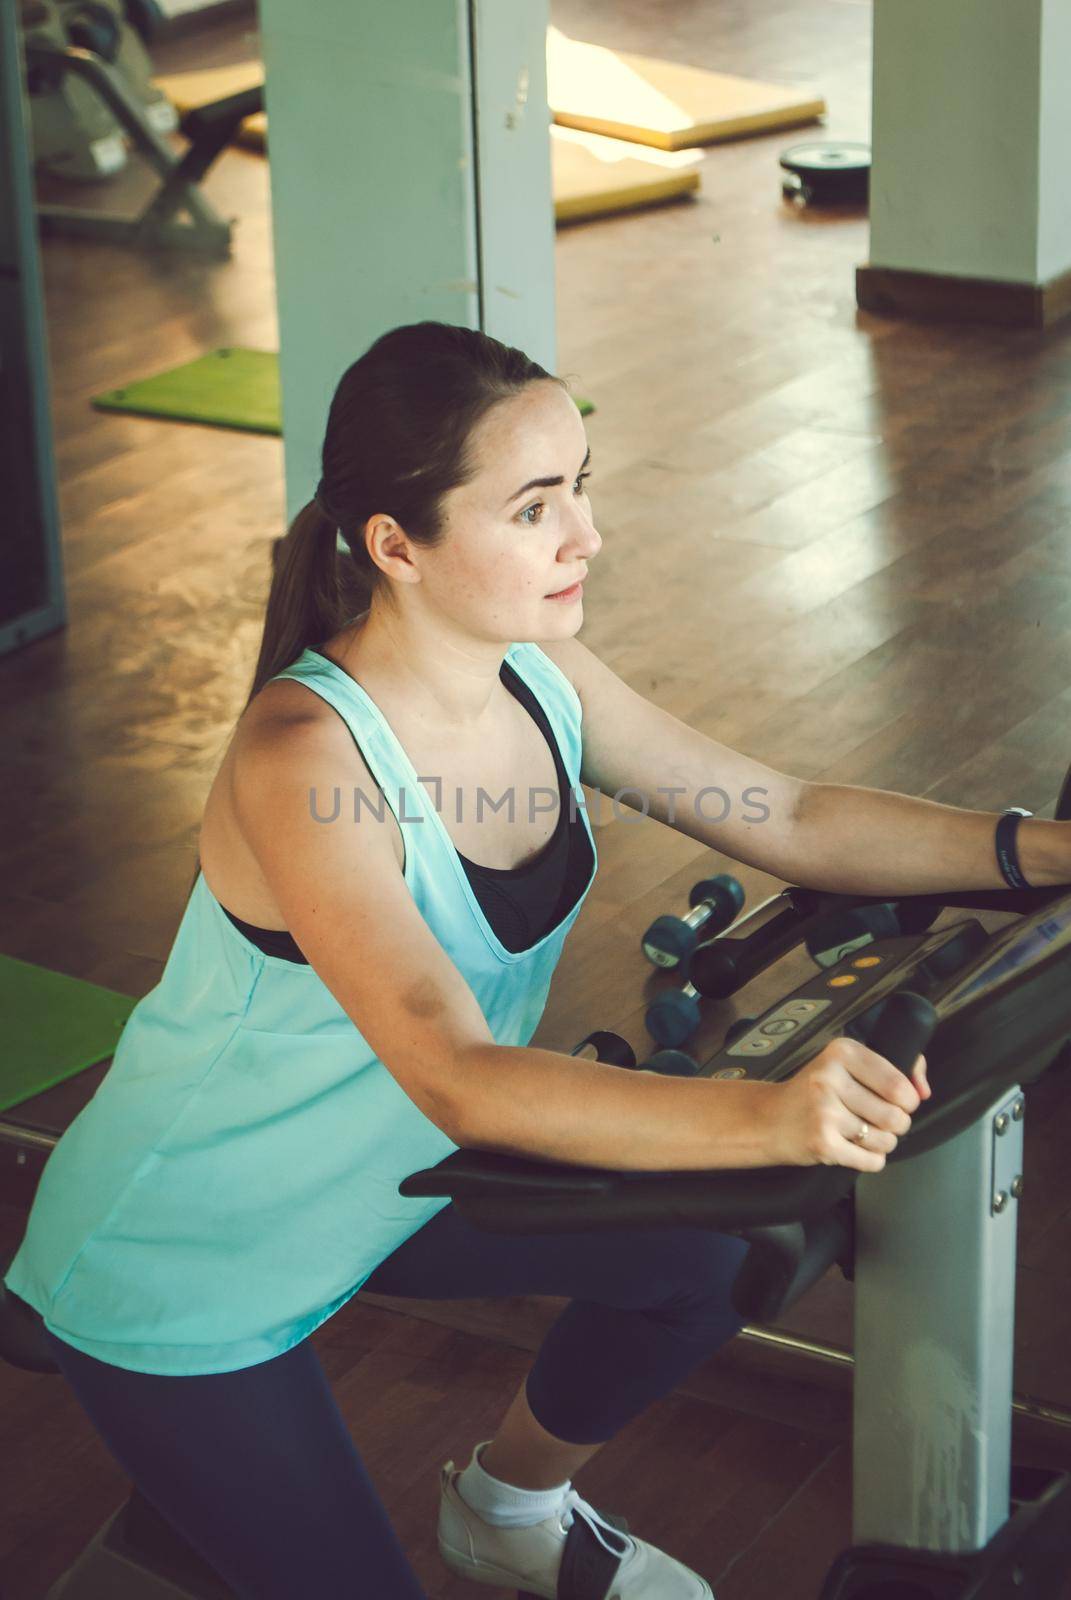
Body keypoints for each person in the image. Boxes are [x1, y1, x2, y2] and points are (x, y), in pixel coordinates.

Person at [32, 316, 1071, 1600]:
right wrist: (767, 1112)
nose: (588, 535)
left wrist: (1044, 848)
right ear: (396, 545)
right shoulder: (306, 760)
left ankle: (510, 1507)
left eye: (581, 486)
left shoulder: (541, 673)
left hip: (393, 1182)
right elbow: (461, 1074)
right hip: (198, 1250)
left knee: (707, 1258)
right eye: (534, 508)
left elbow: (786, 815)